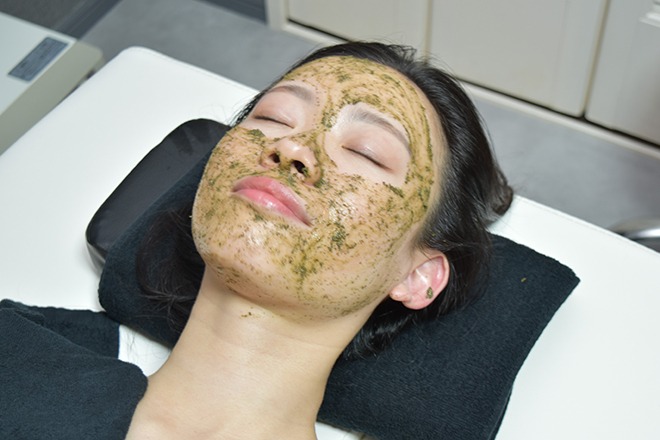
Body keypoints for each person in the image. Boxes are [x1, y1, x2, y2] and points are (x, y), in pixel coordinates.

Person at [125, 41, 512, 439]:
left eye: (366, 152)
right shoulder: (76, 373)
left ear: (418, 277)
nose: (293, 146)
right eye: (274, 117)